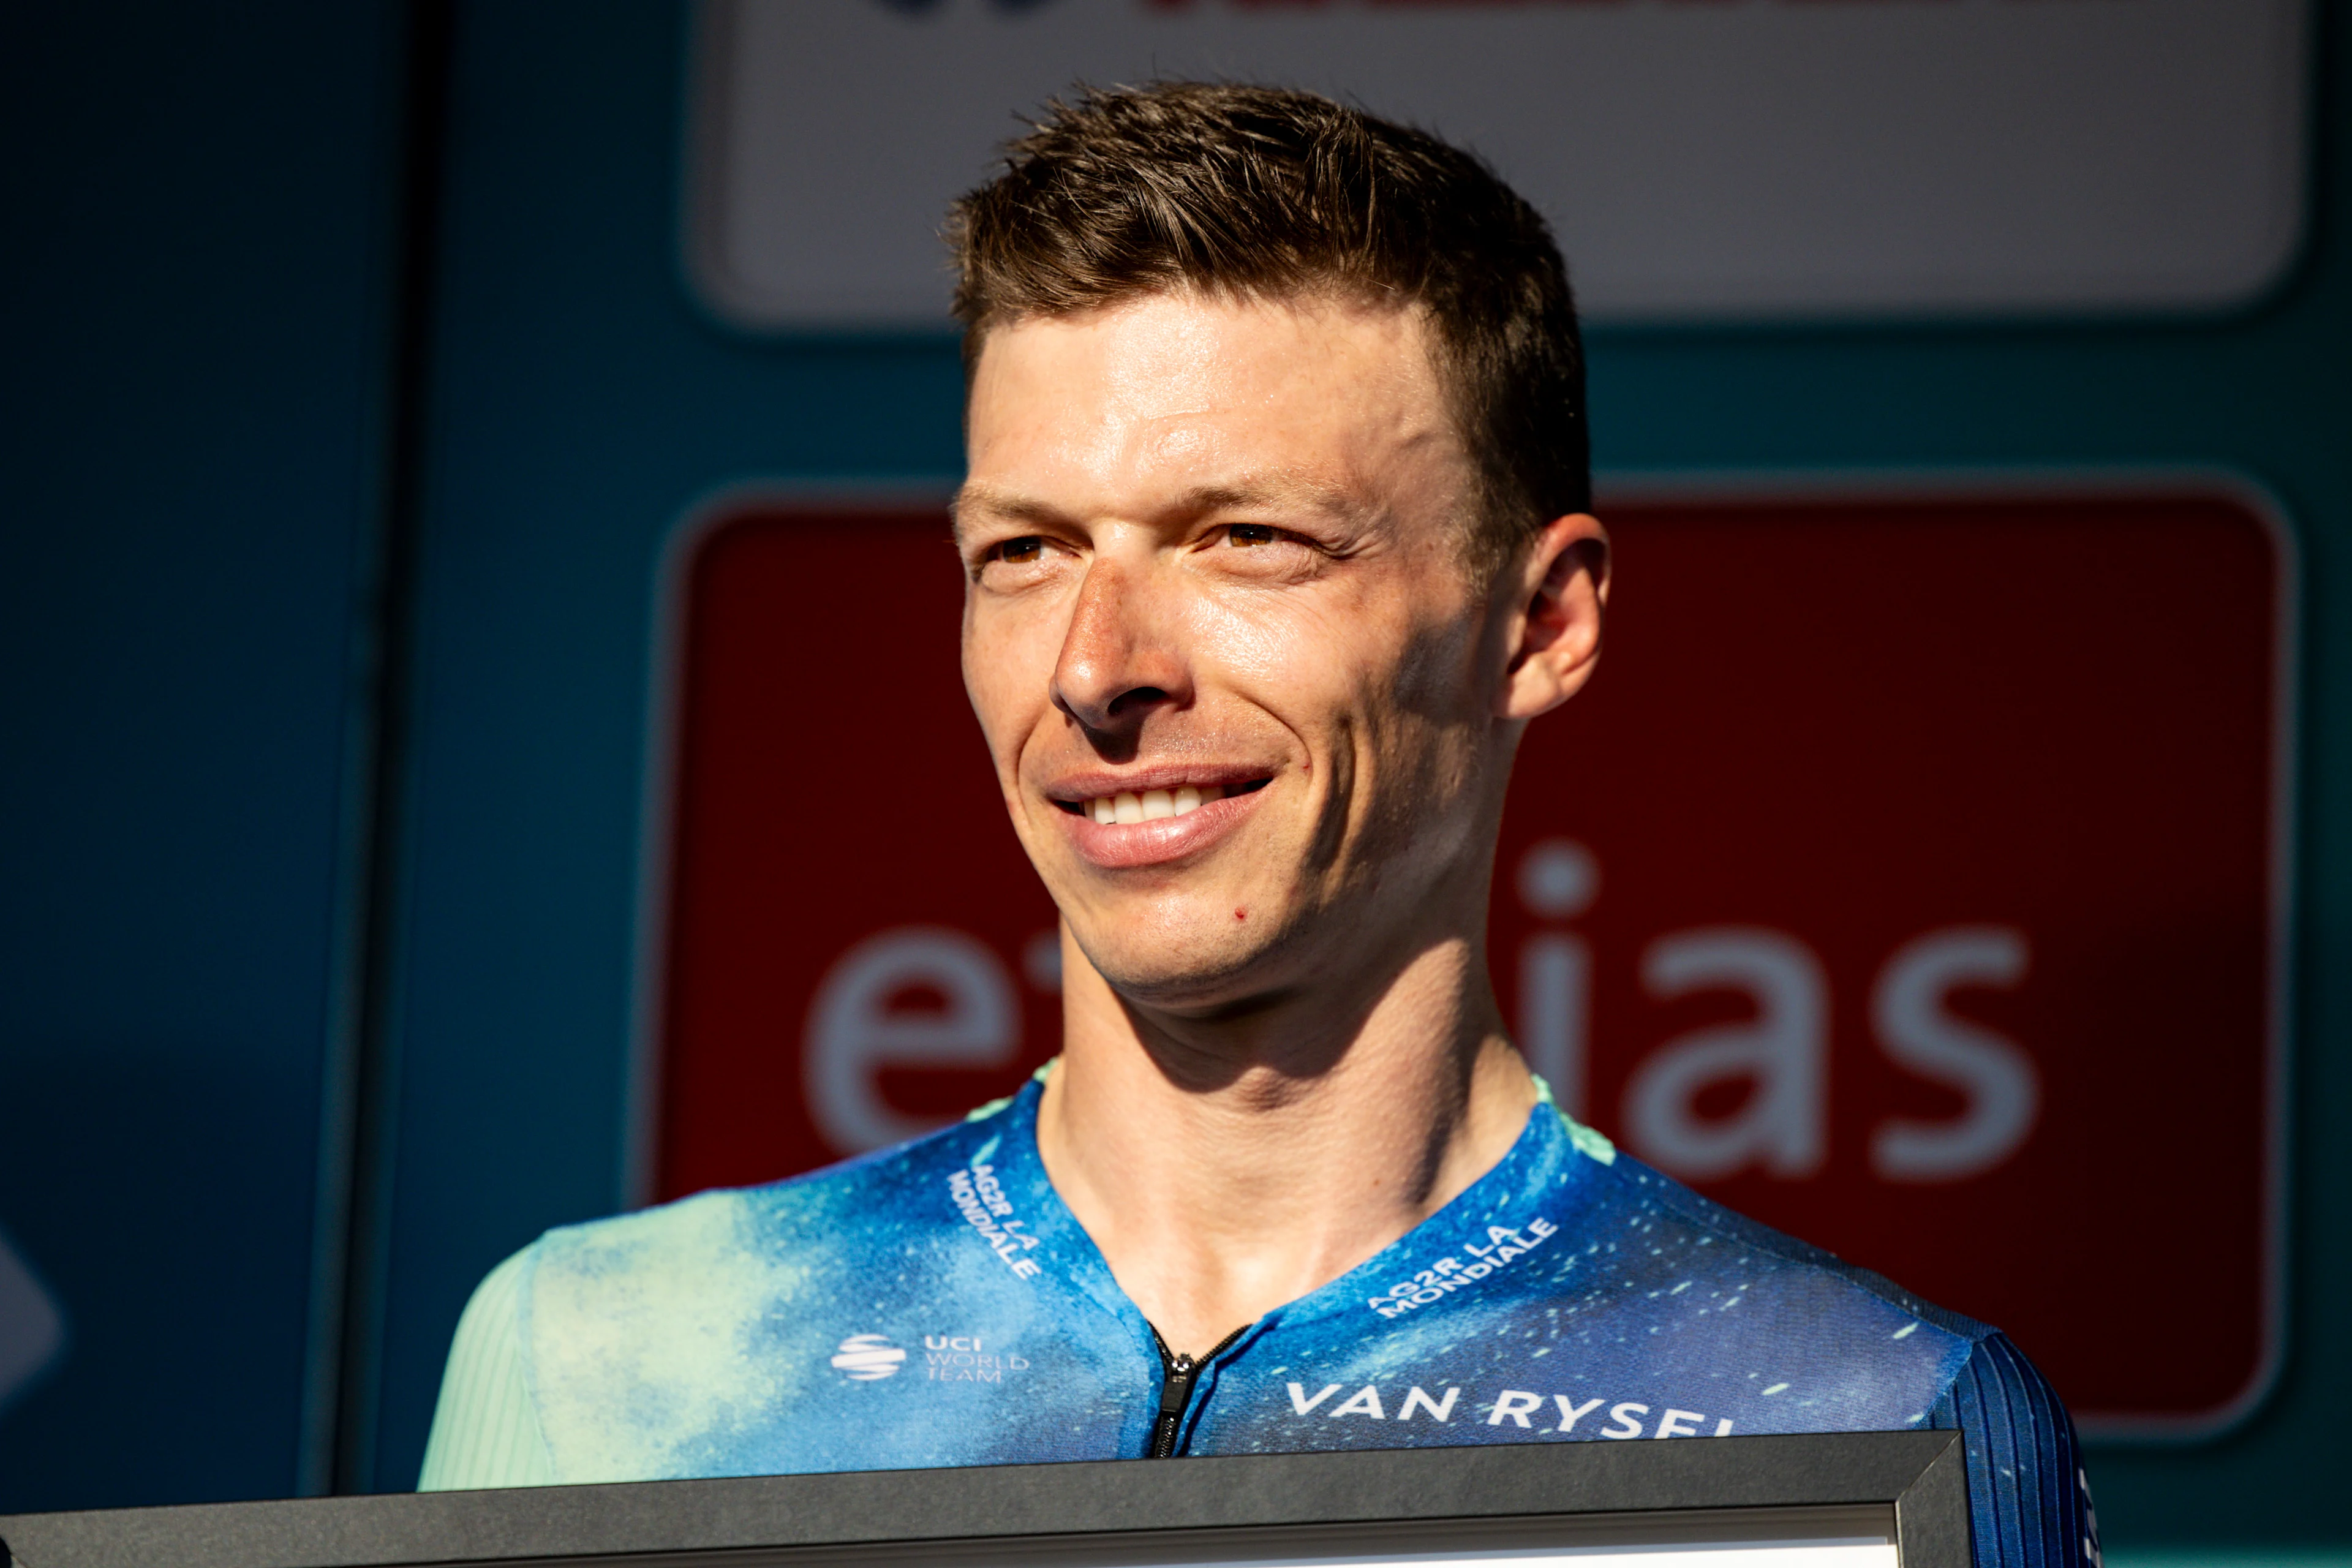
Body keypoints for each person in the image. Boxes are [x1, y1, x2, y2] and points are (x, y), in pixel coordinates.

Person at [418, 82, 2094, 1567]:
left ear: (1542, 624)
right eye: (1026, 552)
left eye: (1248, 541)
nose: (1097, 669)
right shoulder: (599, 1358)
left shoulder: (1871, 1417)